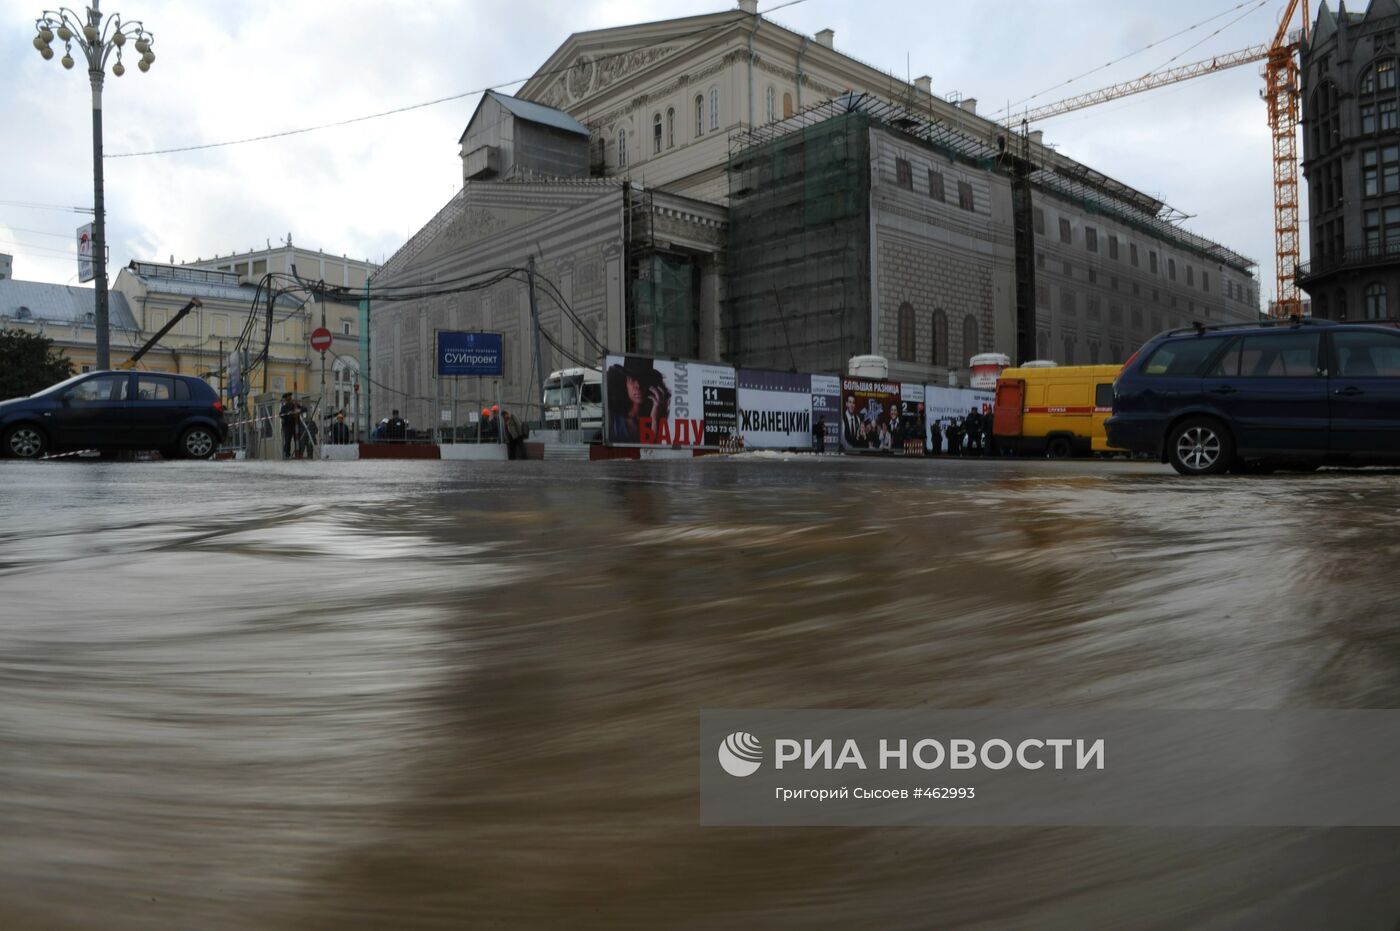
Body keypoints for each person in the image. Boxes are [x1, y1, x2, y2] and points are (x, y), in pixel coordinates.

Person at [606, 357, 669, 444]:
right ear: (625, 383)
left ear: (650, 384)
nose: (638, 386)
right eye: (631, 380)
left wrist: (654, 419)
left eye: (643, 379)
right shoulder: (612, 417)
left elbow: (652, 452)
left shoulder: (654, 417)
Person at [278, 393, 301, 460]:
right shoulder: (284, 407)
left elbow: (303, 409)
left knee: (297, 440)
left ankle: (298, 453)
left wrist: (298, 411)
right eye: (288, 397)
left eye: (290, 397)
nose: (289, 398)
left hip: (295, 425)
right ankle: (287, 454)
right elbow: (281, 415)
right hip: (288, 426)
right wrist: (289, 414)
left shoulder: (295, 405)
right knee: (288, 440)